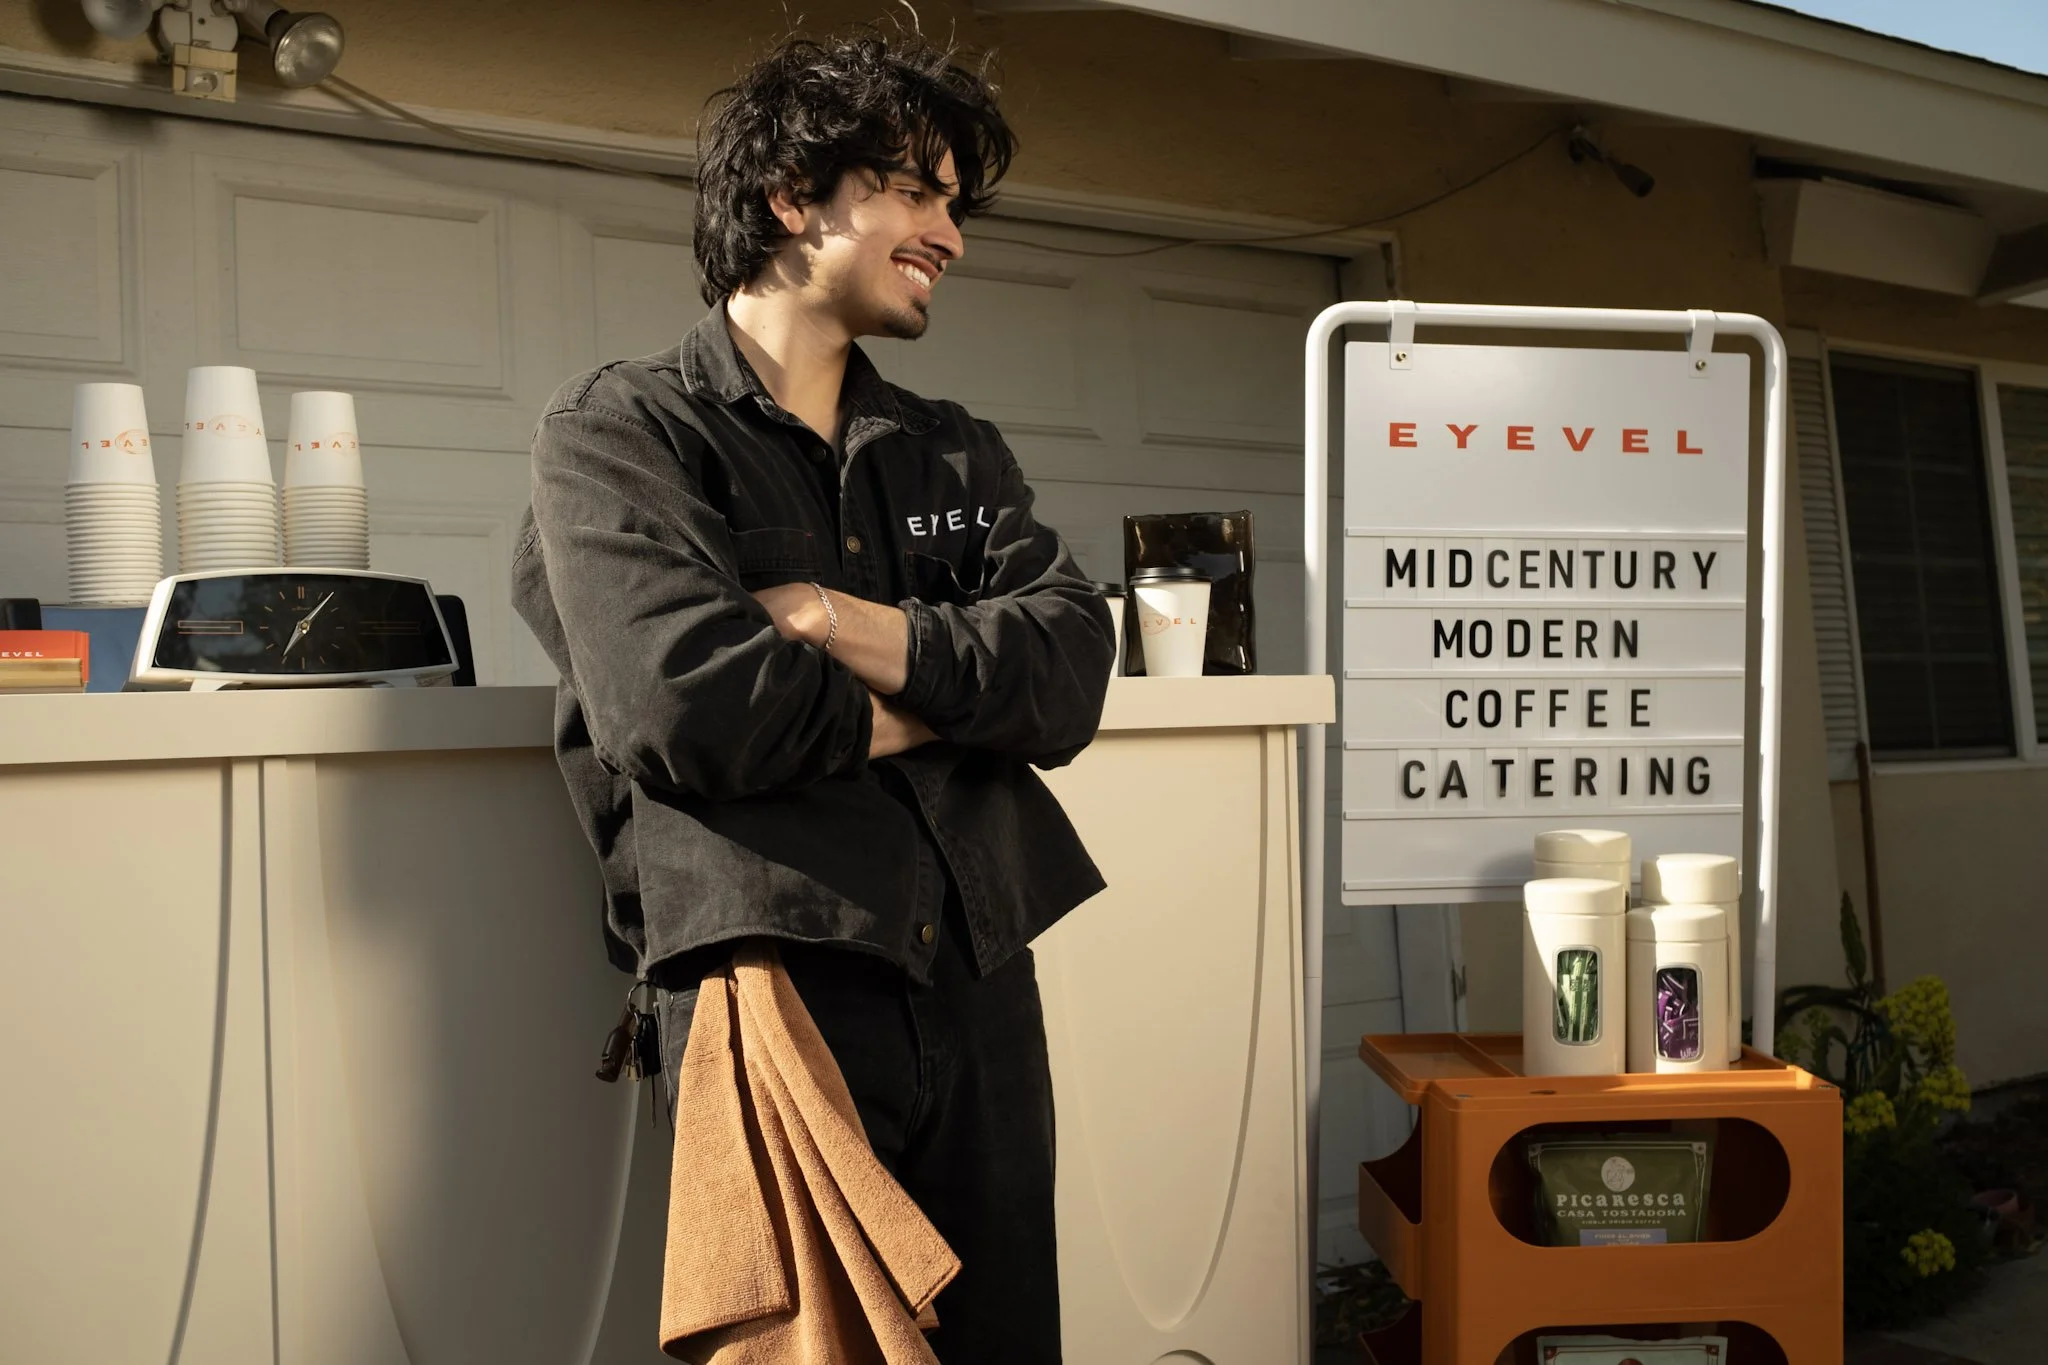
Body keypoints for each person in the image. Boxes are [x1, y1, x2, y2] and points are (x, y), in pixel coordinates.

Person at [510, 31, 1115, 1363]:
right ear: (794, 196)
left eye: (954, 201)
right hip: (773, 986)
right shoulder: (621, 436)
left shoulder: (952, 451)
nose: (949, 234)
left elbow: (1068, 672)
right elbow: (688, 712)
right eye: (916, 191)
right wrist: (949, 688)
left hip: (978, 976)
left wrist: (837, 622)